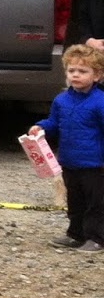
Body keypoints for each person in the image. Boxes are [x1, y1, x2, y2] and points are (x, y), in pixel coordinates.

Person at [29, 45, 104, 253]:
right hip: (69, 162)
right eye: (72, 71)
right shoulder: (61, 100)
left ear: (97, 75)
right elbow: (54, 122)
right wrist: (41, 127)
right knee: (75, 201)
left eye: (82, 71)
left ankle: (96, 238)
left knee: (95, 203)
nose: (76, 75)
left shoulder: (100, 102)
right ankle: (76, 234)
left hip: (96, 164)